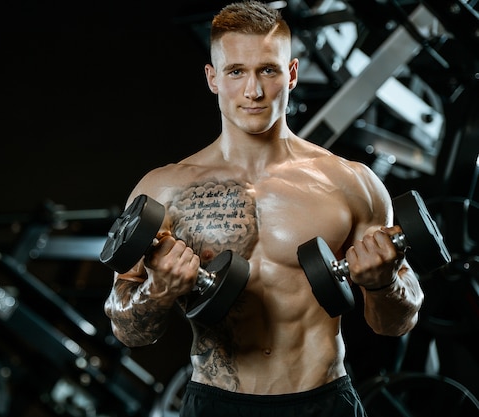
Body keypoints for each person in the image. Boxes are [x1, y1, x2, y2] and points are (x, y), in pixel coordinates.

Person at [103, 1, 424, 416]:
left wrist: (382, 284)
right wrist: (159, 289)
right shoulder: (163, 189)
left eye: (267, 70)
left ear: (290, 73)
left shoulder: (351, 183)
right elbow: (127, 330)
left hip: (322, 400)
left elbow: (393, 323)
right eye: (236, 71)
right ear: (213, 77)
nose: (253, 91)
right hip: (217, 403)